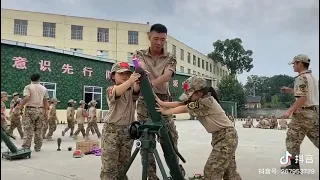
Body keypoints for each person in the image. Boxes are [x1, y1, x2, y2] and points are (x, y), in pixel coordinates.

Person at [156, 76, 242, 180]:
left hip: (226, 138)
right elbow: (181, 103)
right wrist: (162, 103)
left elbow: (184, 108)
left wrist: (165, 112)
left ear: (199, 92)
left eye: (190, 94)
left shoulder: (206, 102)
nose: (188, 97)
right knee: (230, 173)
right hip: (225, 137)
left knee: (212, 170)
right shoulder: (200, 99)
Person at [134, 23, 178, 180]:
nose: (159, 43)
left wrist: (150, 84)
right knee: (146, 139)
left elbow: (167, 76)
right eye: (156, 38)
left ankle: (175, 172)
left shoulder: (170, 58)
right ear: (149, 36)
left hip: (163, 102)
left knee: (170, 139)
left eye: (163, 40)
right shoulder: (139, 54)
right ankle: (151, 176)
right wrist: (143, 76)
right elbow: (140, 68)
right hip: (144, 101)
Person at [100, 62, 140, 180]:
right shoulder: (111, 89)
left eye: (128, 74)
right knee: (109, 168)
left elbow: (136, 90)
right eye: (121, 73)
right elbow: (117, 92)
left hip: (127, 131)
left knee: (123, 167)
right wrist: (130, 81)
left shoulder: (131, 91)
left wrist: (138, 80)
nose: (125, 76)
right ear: (113, 76)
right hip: (112, 131)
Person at [280, 54, 319, 173]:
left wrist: (289, 111)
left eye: (294, 63)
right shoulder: (312, 77)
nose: (293, 66)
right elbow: (308, 94)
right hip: (315, 112)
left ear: (300, 64)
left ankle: (294, 166)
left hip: (304, 113)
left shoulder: (300, 78)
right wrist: (291, 91)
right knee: (317, 138)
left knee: (292, 138)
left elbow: (302, 98)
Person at [19, 73, 49, 151]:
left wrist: (21, 106)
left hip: (30, 110)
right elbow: (45, 101)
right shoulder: (44, 88)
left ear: (31, 79)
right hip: (40, 110)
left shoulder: (28, 87)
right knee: (39, 129)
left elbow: (26, 97)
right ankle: (38, 147)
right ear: (39, 79)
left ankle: (26, 147)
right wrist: (46, 112)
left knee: (28, 129)